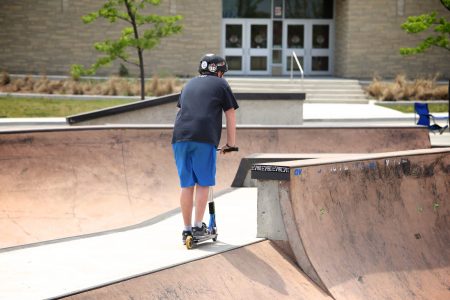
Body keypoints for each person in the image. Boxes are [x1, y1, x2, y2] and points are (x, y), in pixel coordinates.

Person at [172, 54, 239, 245]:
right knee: (203, 183)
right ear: (217, 71)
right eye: (222, 72)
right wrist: (230, 144)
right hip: (203, 138)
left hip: (179, 138)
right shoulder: (221, 85)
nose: (223, 76)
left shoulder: (189, 85)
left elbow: (180, 111)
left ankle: (186, 230)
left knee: (186, 185)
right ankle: (198, 225)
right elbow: (231, 114)